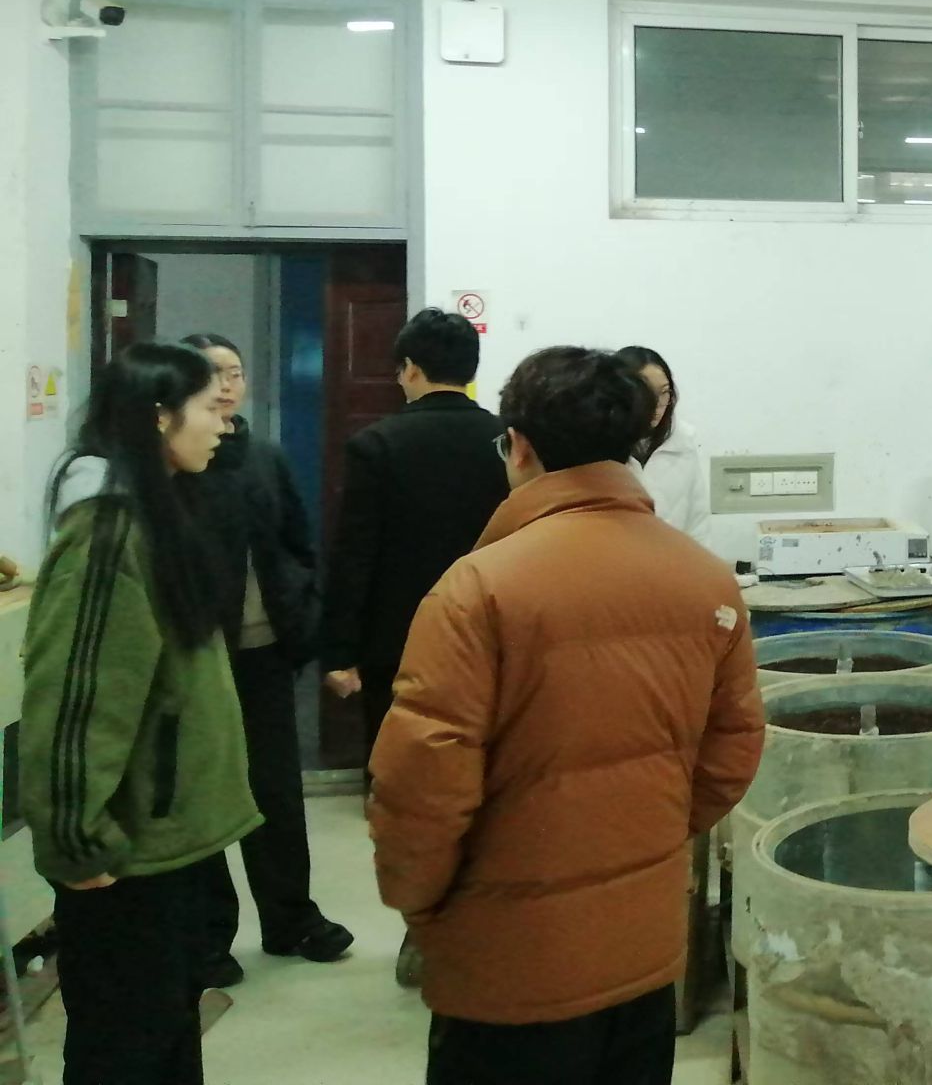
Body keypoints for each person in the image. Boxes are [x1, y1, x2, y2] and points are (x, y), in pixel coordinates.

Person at [368, 347, 765, 1085]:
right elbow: (735, 748)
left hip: (510, 962)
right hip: (645, 945)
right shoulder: (705, 580)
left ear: (518, 446)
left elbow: (421, 784)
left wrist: (419, 904)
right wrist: (647, 837)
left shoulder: (478, 589)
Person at [22, 344, 259, 1085]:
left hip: (171, 842)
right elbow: (76, 700)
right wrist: (75, 838)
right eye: (209, 408)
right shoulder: (107, 534)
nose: (224, 422)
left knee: (167, 1030)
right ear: (160, 417)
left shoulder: (163, 514)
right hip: (124, 856)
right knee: (123, 1043)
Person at [179, 334, 353, 988]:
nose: (227, 385)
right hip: (201, 658)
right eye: (212, 374)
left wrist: (301, 617)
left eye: (235, 372)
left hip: (264, 653)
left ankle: (291, 920)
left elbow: (297, 543)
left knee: (275, 791)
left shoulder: (265, 456)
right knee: (205, 793)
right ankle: (208, 936)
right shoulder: (178, 463)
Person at [322, 309, 507, 758]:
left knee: (400, 761)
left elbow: (356, 553)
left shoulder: (376, 444)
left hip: (398, 638)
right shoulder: (509, 441)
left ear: (410, 368)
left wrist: (340, 650)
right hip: (491, 627)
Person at [617, 344, 710, 541]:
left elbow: (698, 522)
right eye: (646, 393)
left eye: (664, 392)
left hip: (674, 556)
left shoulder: (683, 442)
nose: (657, 404)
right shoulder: (597, 446)